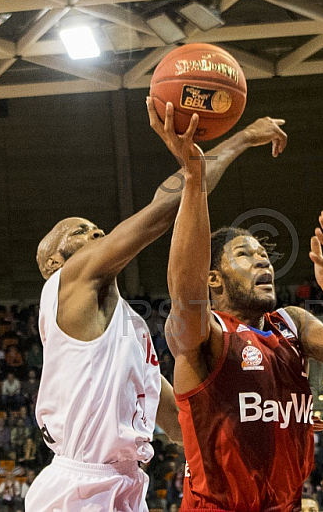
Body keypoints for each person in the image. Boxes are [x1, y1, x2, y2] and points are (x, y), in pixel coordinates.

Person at [25, 101, 291, 512]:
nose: (96, 233)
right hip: (77, 490)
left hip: (124, 485)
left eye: (98, 228)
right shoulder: (65, 284)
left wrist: (250, 437)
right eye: (79, 232)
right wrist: (240, 139)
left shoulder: (127, 329)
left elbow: (174, 417)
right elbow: (163, 209)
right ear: (53, 264)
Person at [161, 106, 323, 512]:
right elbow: (184, 287)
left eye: (264, 254)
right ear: (213, 278)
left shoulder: (291, 324)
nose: (263, 261)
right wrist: (195, 179)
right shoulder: (205, 334)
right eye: (245, 254)